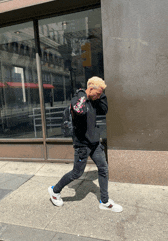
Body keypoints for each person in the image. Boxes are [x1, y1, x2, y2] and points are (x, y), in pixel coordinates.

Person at [48, 76, 123, 212]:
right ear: (90, 89)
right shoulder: (77, 100)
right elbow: (79, 110)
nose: (98, 96)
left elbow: (104, 110)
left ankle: (104, 202)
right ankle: (55, 191)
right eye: (97, 93)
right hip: (82, 145)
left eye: (100, 94)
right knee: (77, 173)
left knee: (103, 169)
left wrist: (99, 95)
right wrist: (83, 94)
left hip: (94, 143)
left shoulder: (95, 101)